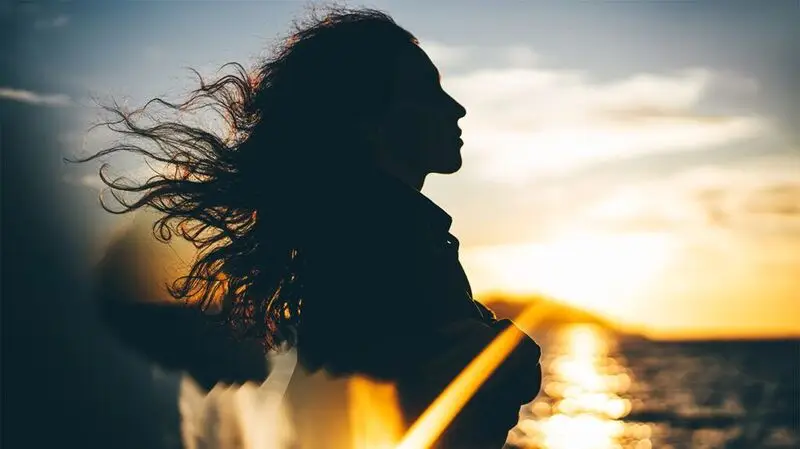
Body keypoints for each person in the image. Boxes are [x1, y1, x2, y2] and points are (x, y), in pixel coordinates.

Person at [77, 7, 542, 448]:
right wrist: (511, 349)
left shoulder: (366, 235)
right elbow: (481, 379)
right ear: (367, 120)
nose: (456, 108)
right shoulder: (382, 245)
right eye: (428, 91)